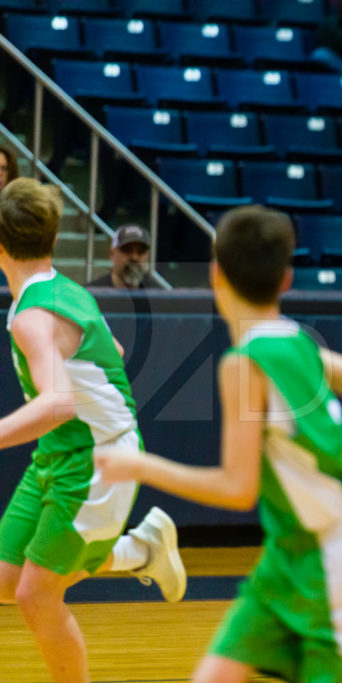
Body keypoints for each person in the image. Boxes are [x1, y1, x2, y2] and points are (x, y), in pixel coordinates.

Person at [96, 205, 342, 682]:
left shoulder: (244, 362)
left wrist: (140, 467)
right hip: (286, 557)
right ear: (286, 279)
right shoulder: (299, 341)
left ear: (216, 275)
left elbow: (238, 489)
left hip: (337, 567)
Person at [0, 177, 186, 682]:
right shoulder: (64, 290)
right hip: (60, 453)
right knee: (6, 578)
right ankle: (141, 550)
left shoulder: (32, 316)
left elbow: (58, 402)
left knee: (36, 596)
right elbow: (115, 355)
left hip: (97, 461)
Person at [87, 223, 160, 289]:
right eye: (127, 250)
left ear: (148, 256)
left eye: (141, 251)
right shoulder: (92, 295)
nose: (134, 257)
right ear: (112, 254)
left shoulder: (158, 295)